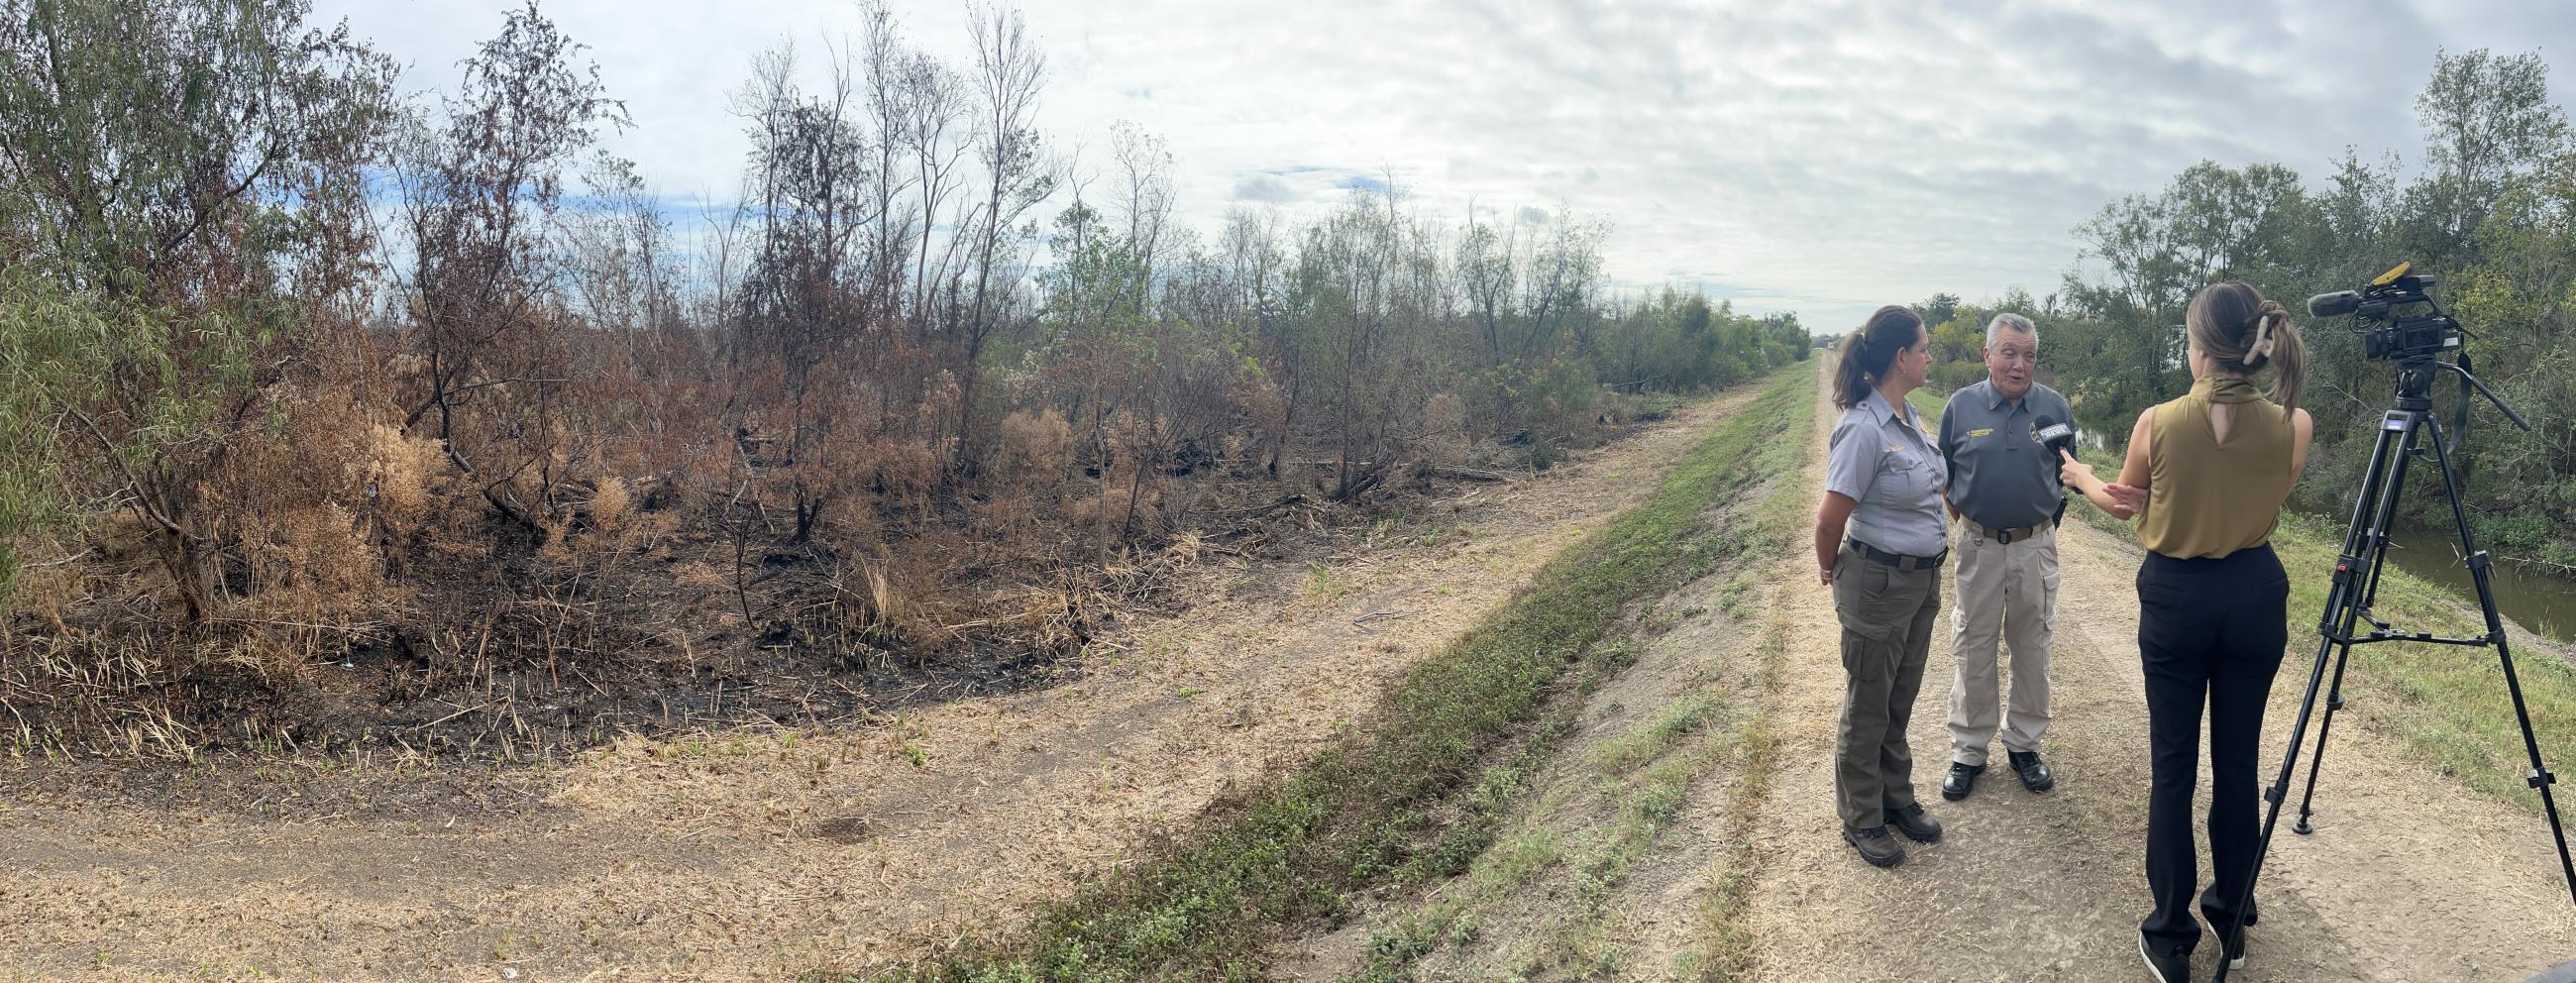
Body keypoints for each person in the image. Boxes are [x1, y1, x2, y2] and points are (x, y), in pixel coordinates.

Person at [2060, 282, 2312, 983]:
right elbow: (2265, 498)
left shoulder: (2158, 421)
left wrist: (2082, 476)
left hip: (2177, 597)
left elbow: (2121, 503)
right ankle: (2232, 918)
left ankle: (2170, 936)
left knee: (2173, 768)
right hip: (2255, 592)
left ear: (2199, 345)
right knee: (2238, 764)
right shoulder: (2295, 423)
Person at [1814, 305, 1947, 868]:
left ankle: (1896, 798)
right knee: (1868, 703)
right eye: (1923, 347)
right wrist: (1830, 569)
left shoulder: (1909, 416)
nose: (1929, 356)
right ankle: (1861, 815)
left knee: (1899, 698)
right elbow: (1828, 519)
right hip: (1877, 584)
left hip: (1919, 583)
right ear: (1901, 357)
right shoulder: (1863, 428)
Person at [1936, 313, 2072, 801]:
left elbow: (2066, 475)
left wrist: (2040, 527)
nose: (2020, 364)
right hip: (1978, 546)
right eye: (2009, 353)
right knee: (1973, 644)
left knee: (2032, 645)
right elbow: (1945, 478)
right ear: (1987, 355)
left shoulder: (2054, 407)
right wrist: (1971, 527)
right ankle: (1969, 751)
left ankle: (2025, 745)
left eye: (2029, 355)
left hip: (2035, 546)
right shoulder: (1960, 408)